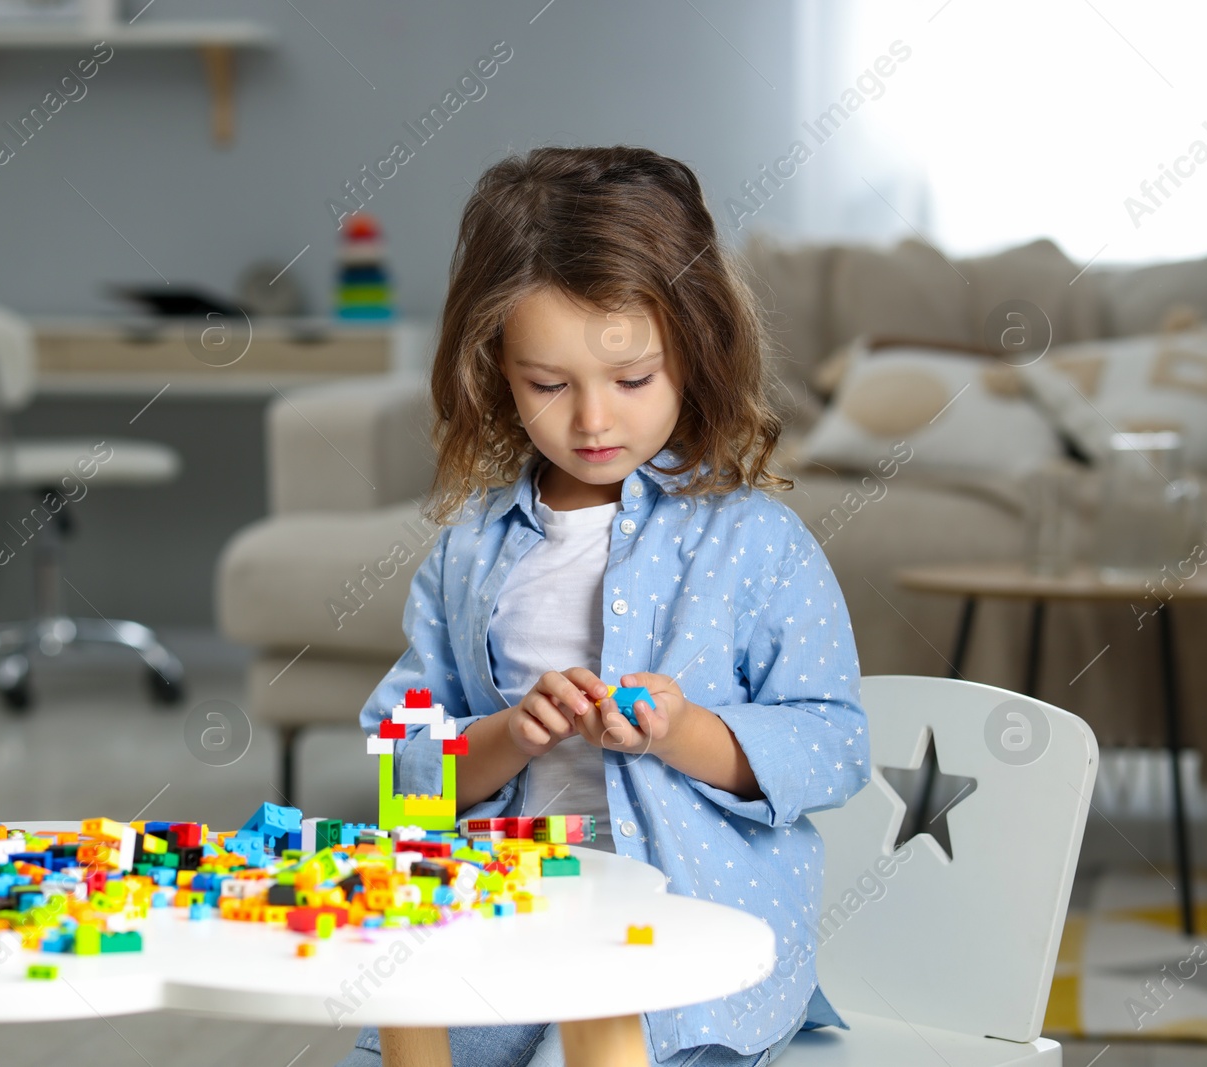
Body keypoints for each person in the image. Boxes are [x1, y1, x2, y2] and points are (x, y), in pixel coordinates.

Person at [337, 145, 871, 1067]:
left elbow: (833, 744)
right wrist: (510, 731)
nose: (592, 421)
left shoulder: (754, 542)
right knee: (399, 1035)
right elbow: (401, 778)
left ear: (695, 355)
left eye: (632, 381)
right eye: (549, 385)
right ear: (494, 368)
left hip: (686, 931)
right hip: (512, 909)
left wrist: (683, 731)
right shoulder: (472, 552)